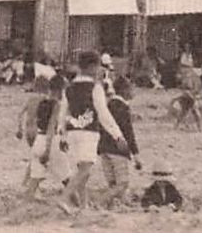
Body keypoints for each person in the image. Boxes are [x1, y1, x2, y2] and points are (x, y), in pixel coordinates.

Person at [55, 50, 128, 215]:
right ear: (92, 66)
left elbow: (63, 113)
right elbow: (103, 114)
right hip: (89, 132)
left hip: (73, 131)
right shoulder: (95, 87)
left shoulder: (69, 87)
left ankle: (84, 205)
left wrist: (62, 134)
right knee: (85, 169)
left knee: (81, 170)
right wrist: (117, 135)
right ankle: (64, 197)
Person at [98, 76, 141, 208]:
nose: (134, 92)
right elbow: (128, 132)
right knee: (123, 183)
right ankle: (101, 201)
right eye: (132, 89)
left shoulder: (108, 105)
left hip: (103, 148)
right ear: (125, 90)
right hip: (117, 149)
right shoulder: (123, 107)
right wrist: (136, 155)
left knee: (113, 183)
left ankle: (115, 204)